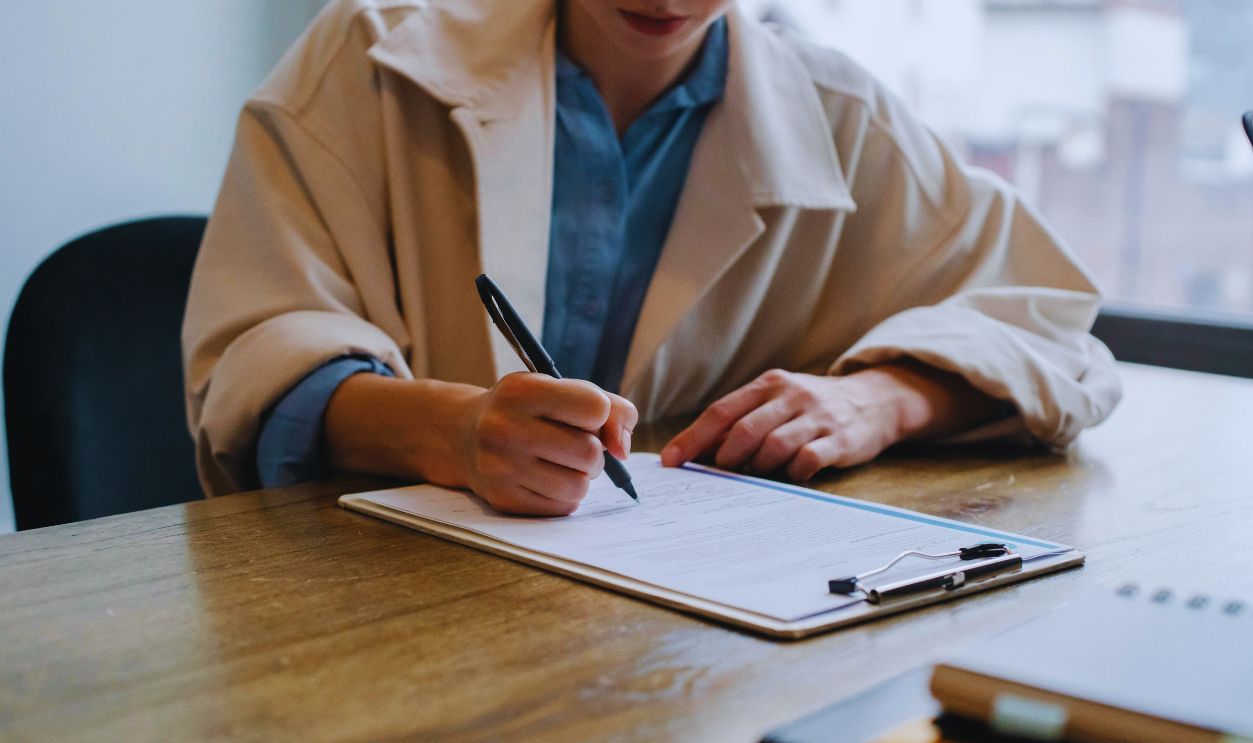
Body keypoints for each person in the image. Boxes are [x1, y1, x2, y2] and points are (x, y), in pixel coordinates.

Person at [182, 0, 1121, 516]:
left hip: (692, 639)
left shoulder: (845, 118)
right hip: (377, 613)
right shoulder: (366, 53)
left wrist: (874, 398)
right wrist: (452, 431)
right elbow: (255, 362)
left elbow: (1049, 328)